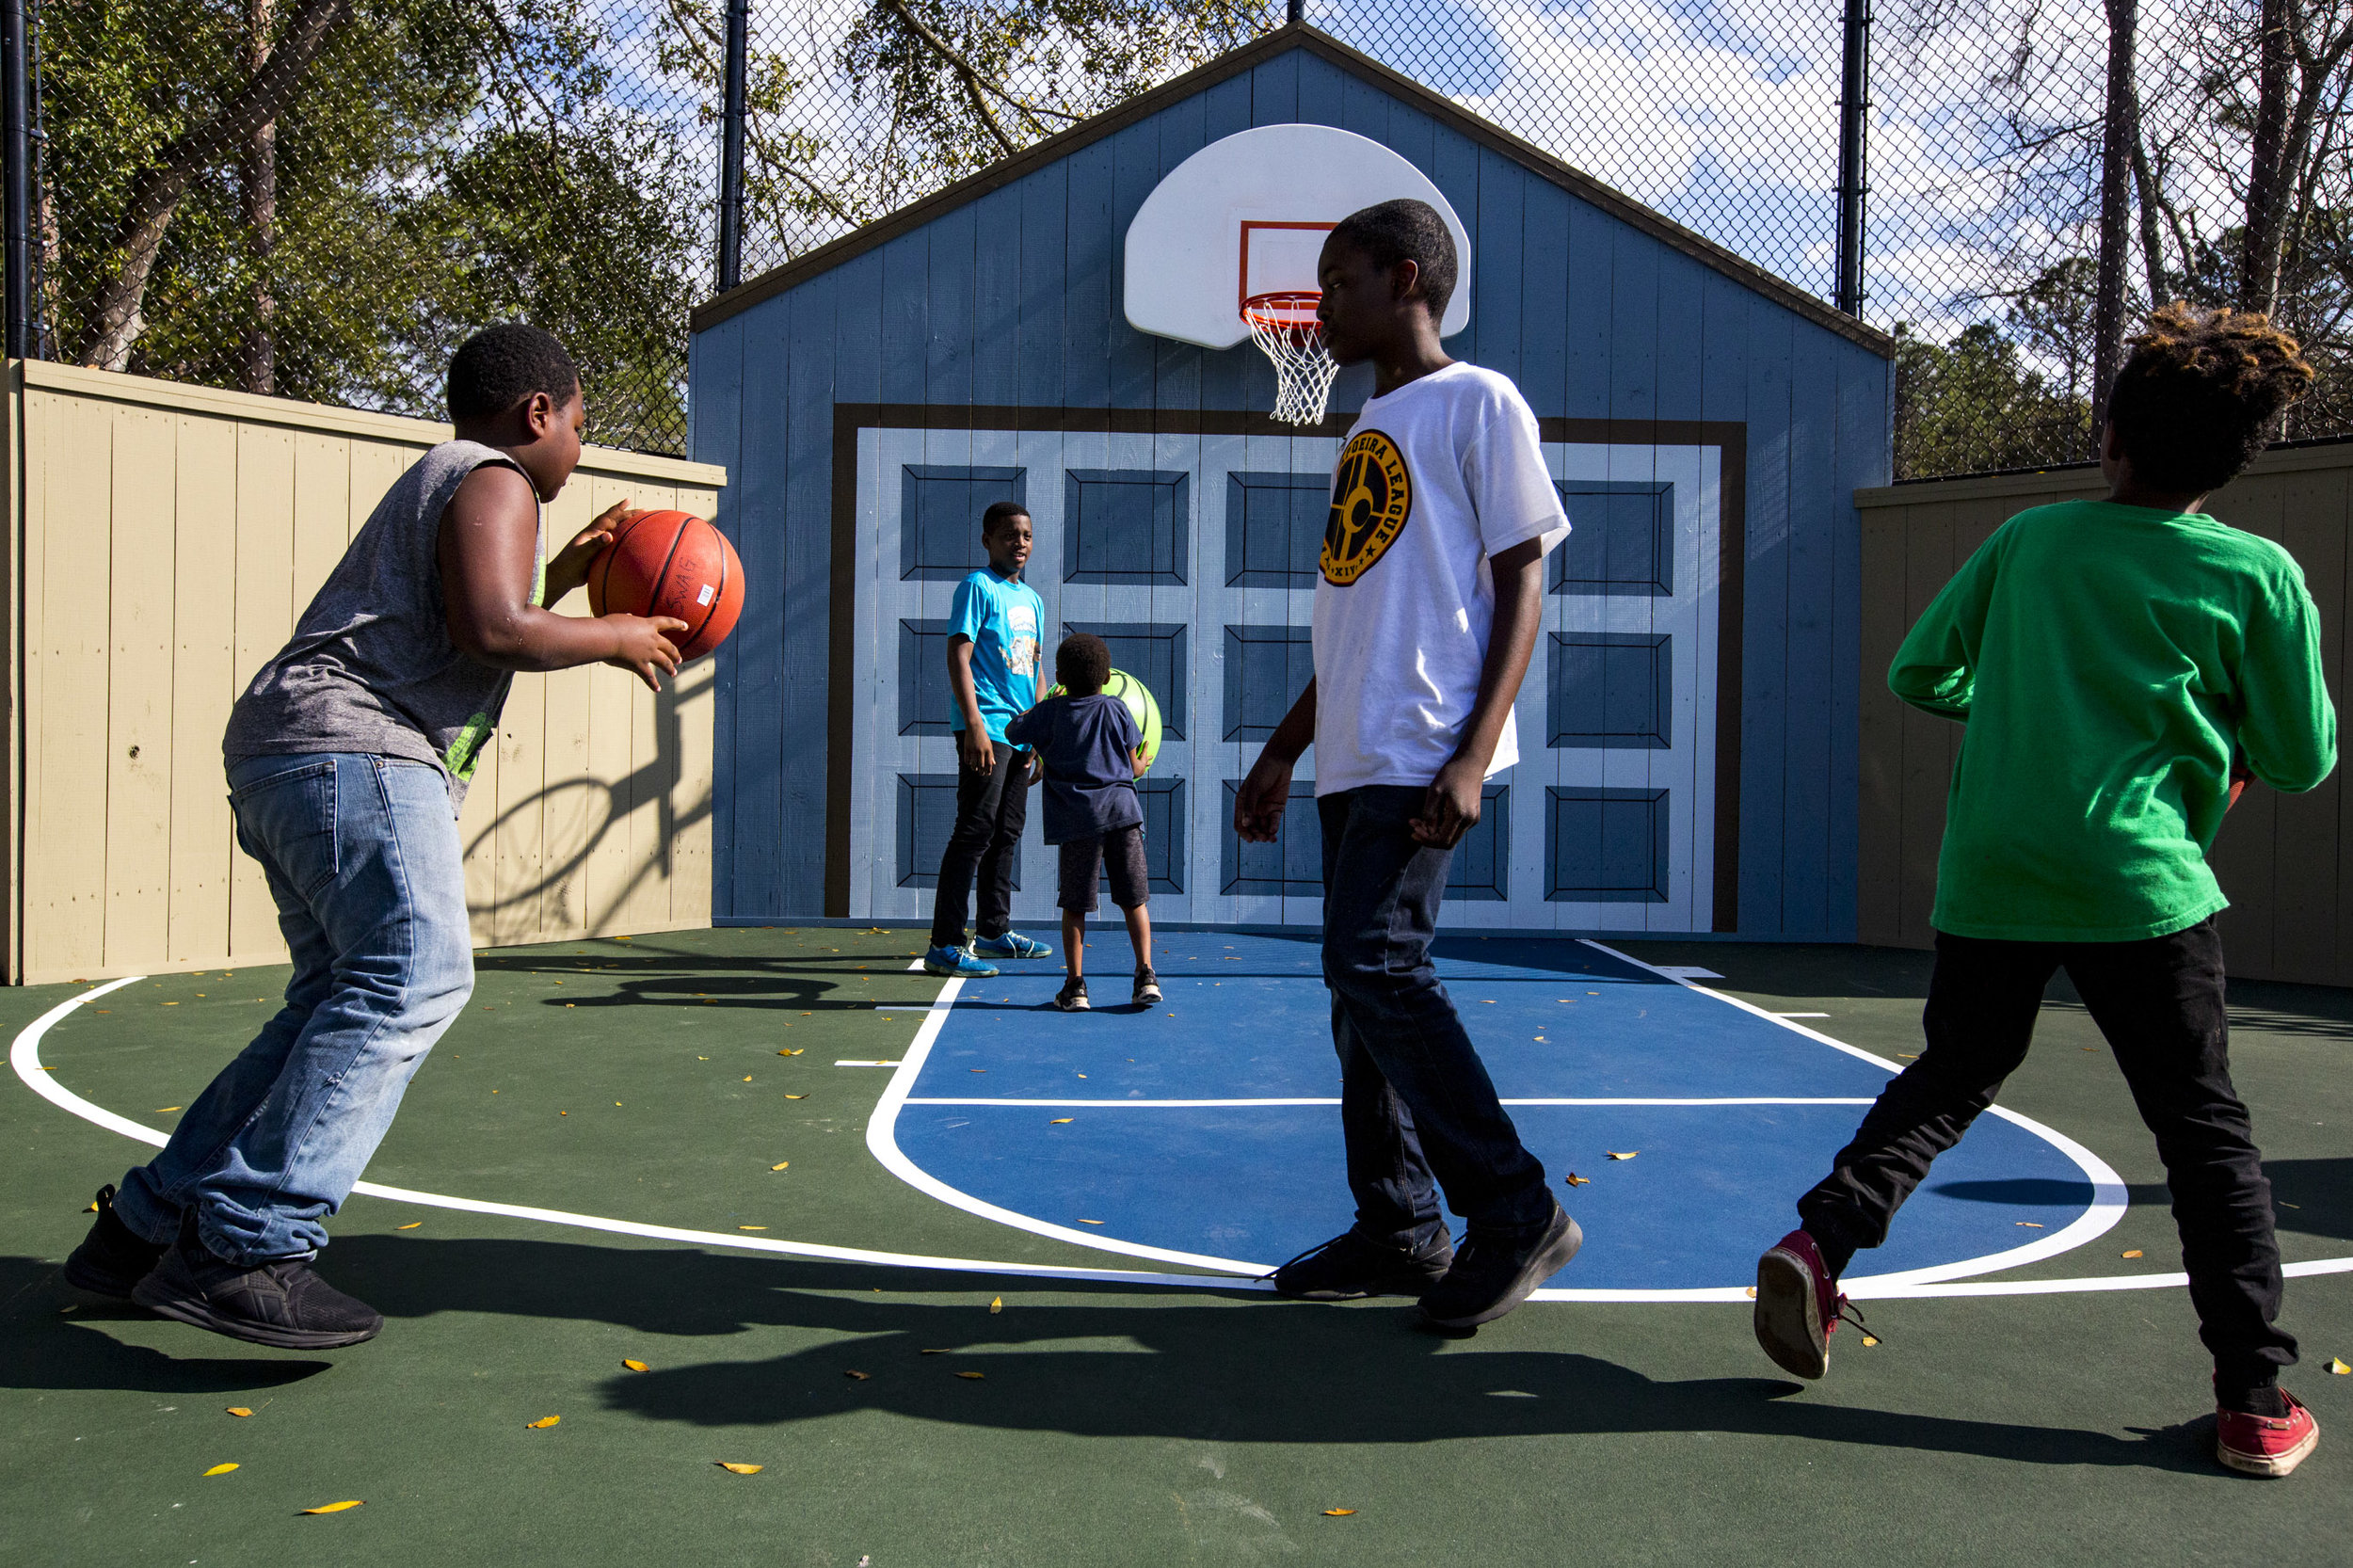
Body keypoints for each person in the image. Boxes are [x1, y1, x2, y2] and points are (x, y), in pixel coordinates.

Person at [1753, 303, 2329, 1479]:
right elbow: (2302, 752)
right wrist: (2192, 741)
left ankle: (1820, 1240)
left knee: (1951, 1077)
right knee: (2204, 1133)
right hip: (2142, 888)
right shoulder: (2257, 573)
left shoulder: (2028, 539)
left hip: (1995, 875)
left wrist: (2024, 711)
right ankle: (2255, 1399)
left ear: (2111, 435)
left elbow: (1922, 671)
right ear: (2234, 457)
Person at [59, 324, 688, 1348]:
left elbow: (465, 615)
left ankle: (144, 1227)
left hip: (289, 750)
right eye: (580, 424)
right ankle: (247, 1244)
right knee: (416, 972)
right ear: (537, 414)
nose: (579, 446)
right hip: (354, 748)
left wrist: (565, 584)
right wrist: (614, 635)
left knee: (328, 995)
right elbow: (492, 628)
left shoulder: (463, 479)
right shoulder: (496, 478)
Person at [1234, 199, 1581, 1330]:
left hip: (1426, 744)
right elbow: (1355, 623)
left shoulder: (1479, 402)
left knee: (1375, 966)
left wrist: (1473, 754)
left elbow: (1525, 580)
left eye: (1336, 282)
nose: (1318, 305)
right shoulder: (1362, 429)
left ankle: (1514, 1206)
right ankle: (1400, 1228)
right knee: (1356, 994)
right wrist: (1284, 750)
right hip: (1354, 752)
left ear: (1403, 278)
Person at [923, 502, 1053, 979]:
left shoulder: (1034, 600)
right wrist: (973, 723)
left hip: (1021, 735)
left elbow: (1034, 667)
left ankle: (994, 932)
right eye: (1008, 535)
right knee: (974, 830)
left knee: (1006, 833)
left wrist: (1039, 733)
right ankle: (944, 943)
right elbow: (959, 653)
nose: (1019, 543)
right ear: (987, 541)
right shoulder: (978, 587)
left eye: (1026, 535)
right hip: (987, 729)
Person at [1006, 633, 1159, 1012]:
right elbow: (1132, 766)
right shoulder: (1118, 709)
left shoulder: (1050, 713)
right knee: (1134, 900)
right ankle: (1146, 976)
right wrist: (1144, 763)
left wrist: (1043, 709)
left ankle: (1075, 987)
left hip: (1078, 823)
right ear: (1107, 677)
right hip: (1123, 816)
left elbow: (1012, 731)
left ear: (1059, 675)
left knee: (1075, 905)